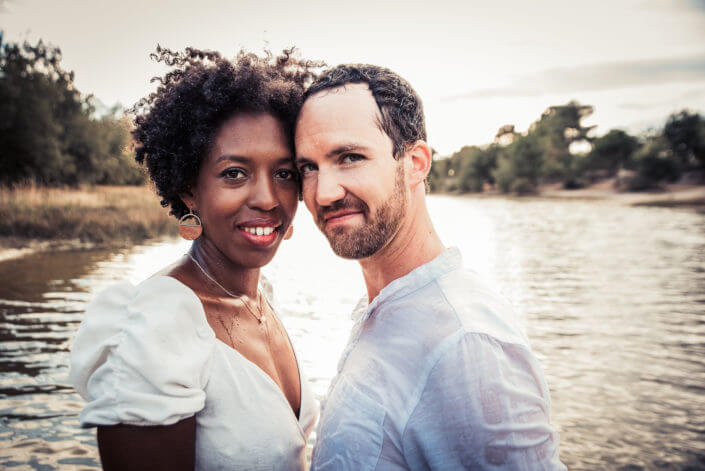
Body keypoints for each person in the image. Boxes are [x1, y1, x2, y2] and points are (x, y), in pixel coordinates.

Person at [294, 65, 567, 470]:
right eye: (308, 168)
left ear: (416, 163)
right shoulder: (388, 308)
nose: (323, 193)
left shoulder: (466, 345)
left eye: (350, 157)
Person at [69, 47, 319, 471]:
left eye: (284, 173)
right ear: (189, 189)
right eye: (234, 173)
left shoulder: (259, 298)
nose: (267, 198)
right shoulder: (155, 327)